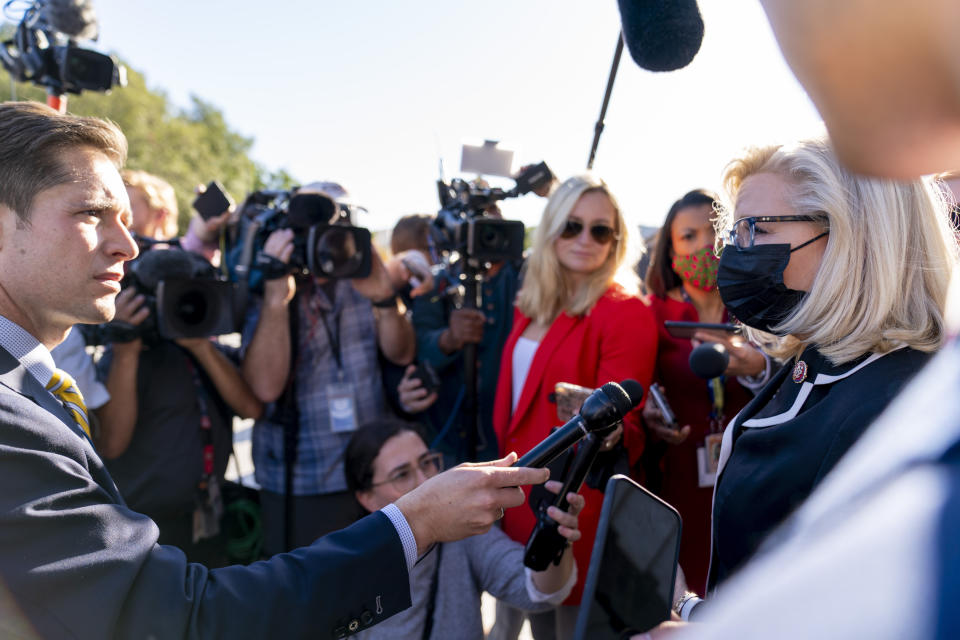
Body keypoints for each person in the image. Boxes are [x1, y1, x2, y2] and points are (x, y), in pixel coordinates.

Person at [0, 101, 552, 639]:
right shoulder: (12, 422)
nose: (127, 246)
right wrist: (418, 521)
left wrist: (383, 295)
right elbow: (178, 615)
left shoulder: (28, 388)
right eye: (91, 213)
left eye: (124, 218)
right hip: (298, 484)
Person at [652, 136, 954, 631]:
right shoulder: (814, 359)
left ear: (854, 236)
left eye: (758, 229)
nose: (734, 252)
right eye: (737, 232)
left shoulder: (893, 406)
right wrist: (692, 609)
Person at [490, 174, 658, 640]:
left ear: (616, 240)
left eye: (600, 230)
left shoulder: (624, 311)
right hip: (515, 496)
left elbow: (627, 425)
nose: (585, 239)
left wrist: (612, 433)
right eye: (572, 226)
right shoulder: (531, 304)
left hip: (571, 507)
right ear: (551, 230)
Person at [240, 181, 418, 554]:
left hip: (374, 475)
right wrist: (277, 296)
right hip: (299, 480)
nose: (327, 243)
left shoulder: (364, 276)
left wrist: (385, 299)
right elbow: (265, 388)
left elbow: (401, 353)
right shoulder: (273, 283)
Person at [94, 174, 264, 565]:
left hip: (211, 515)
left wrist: (200, 347)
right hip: (142, 526)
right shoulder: (127, 348)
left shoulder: (205, 342)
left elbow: (252, 408)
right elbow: (112, 444)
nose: (181, 306)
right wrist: (126, 349)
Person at [346, 419, 584, 639]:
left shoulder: (462, 531)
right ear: (366, 497)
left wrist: (554, 533)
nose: (423, 481)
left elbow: (538, 592)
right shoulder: (347, 564)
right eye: (402, 474)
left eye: (427, 463)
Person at [641, 188, 766, 594]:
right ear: (670, 250)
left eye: (713, 233)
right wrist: (649, 414)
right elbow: (637, 387)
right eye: (688, 237)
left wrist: (758, 366)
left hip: (749, 475)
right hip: (675, 479)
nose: (704, 247)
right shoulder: (653, 314)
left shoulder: (760, 307)